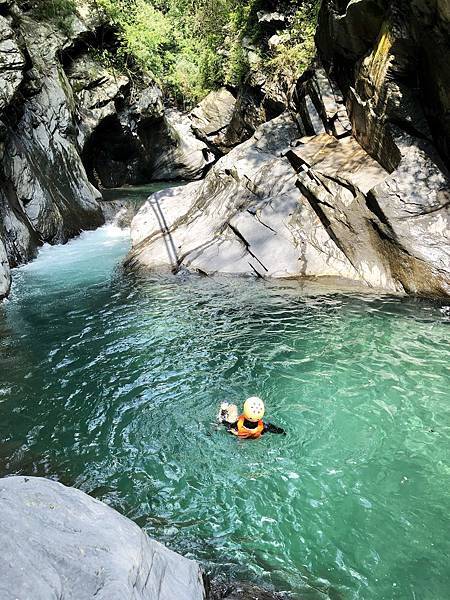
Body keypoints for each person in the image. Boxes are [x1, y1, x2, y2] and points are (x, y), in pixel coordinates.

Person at [219, 397, 285, 439]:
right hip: (254, 438)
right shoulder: (265, 427)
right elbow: (279, 431)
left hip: (238, 436)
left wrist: (223, 414)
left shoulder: (236, 424)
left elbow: (226, 424)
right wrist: (283, 433)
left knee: (233, 407)